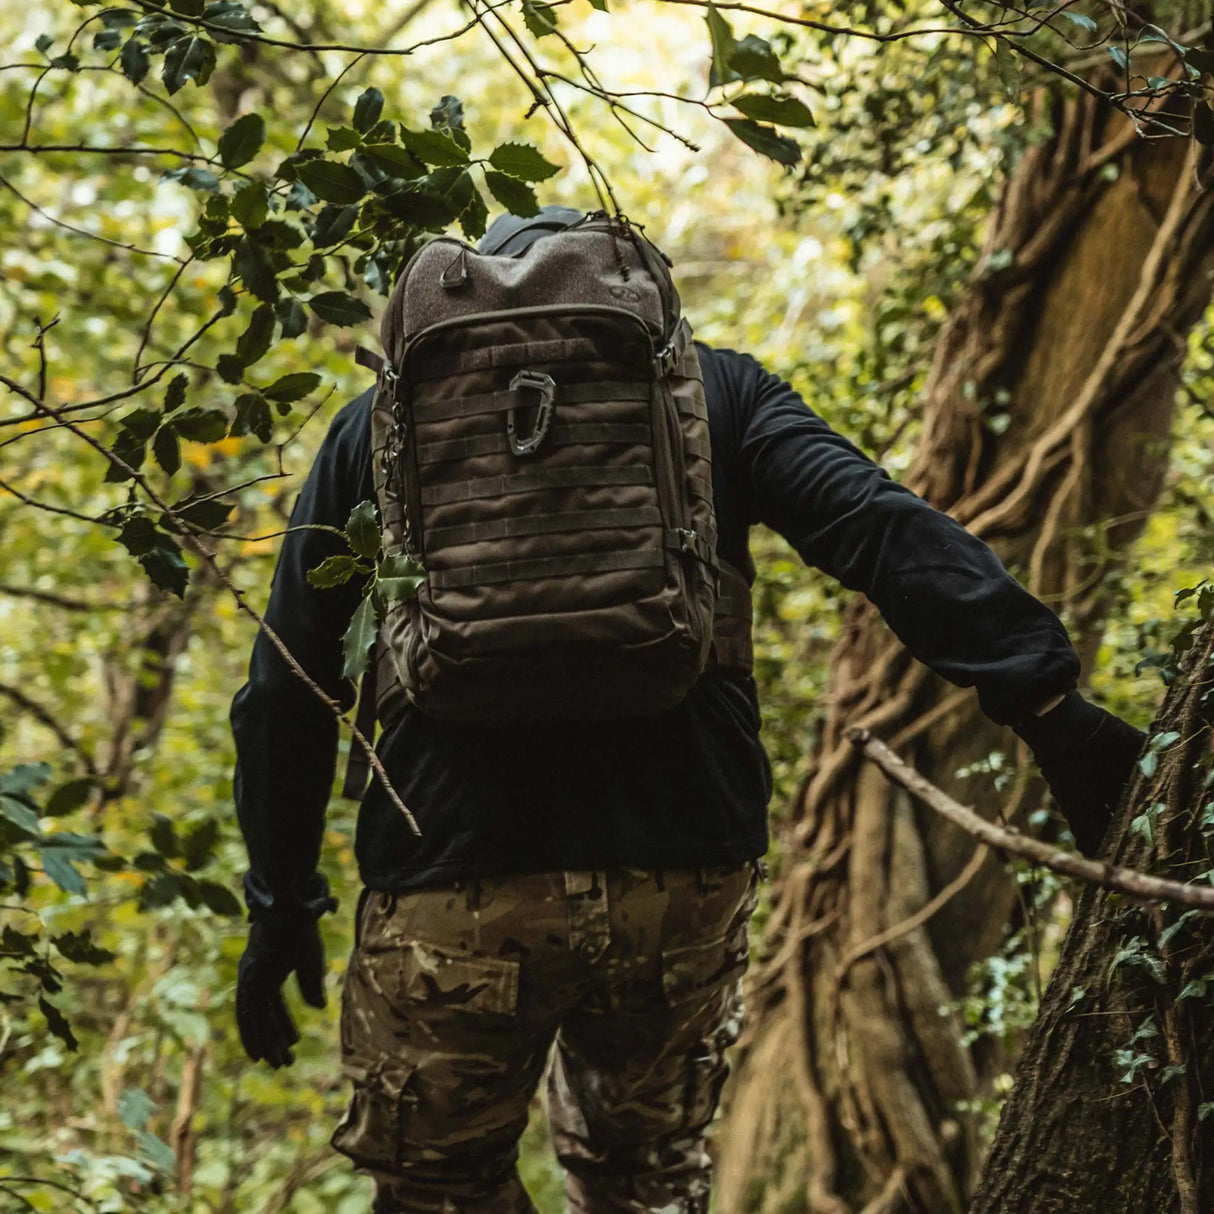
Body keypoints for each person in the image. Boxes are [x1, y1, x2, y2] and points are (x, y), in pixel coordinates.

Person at [230, 208, 1144, 1213]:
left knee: (438, 1187)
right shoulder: (715, 392)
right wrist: (1046, 702)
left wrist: (280, 902)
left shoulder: (381, 423)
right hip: (681, 873)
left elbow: (286, 684)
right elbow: (877, 529)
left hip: (453, 872)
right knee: (645, 1179)